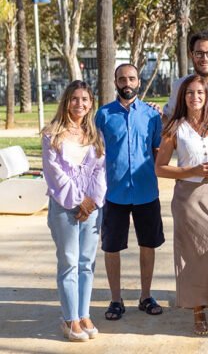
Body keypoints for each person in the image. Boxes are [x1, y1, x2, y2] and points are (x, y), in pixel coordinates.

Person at [155, 75, 208, 335]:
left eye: (200, 93)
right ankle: (198, 313)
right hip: (188, 199)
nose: (195, 97)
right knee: (192, 256)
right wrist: (190, 170)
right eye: (190, 93)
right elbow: (159, 168)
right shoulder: (174, 127)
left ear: (207, 96)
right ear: (183, 97)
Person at [95, 63, 165, 321]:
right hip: (114, 195)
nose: (127, 82)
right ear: (115, 82)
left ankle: (146, 296)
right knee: (111, 247)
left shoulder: (151, 115)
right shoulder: (102, 115)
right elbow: (95, 155)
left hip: (147, 192)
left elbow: (158, 150)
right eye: (122, 78)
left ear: (138, 81)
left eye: (132, 78)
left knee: (148, 244)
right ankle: (116, 299)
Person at [42, 81, 106, 342]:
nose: (80, 104)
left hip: (91, 208)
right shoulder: (51, 135)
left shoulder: (95, 135)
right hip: (64, 207)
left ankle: (83, 313)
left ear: (91, 104)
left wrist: (91, 202)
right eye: (74, 99)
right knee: (68, 262)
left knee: (86, 263)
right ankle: (69, 319)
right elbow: (54, 174)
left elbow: (100, 170)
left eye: (85, 99)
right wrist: (78, 201)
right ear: (66, 101)